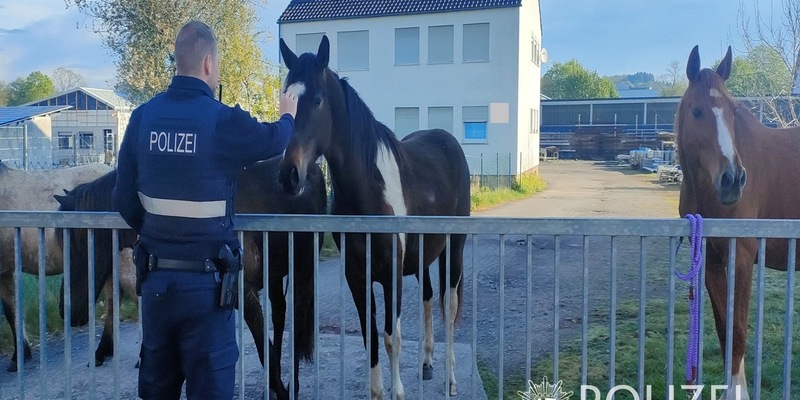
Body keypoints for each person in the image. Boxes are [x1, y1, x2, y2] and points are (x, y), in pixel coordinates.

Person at [112, 20, 298, 399]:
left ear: (177, 61)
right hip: (208, 291)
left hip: (157, 288)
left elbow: (123, 201)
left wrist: (160, 236)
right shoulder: (222, 120)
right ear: (209, 64)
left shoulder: (143, 118)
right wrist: (288, 115)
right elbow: (273, 139)